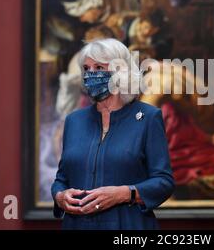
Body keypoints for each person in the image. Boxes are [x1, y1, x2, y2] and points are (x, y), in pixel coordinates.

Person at [51, 38, 174, 230]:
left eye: (99, 67)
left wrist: (124, 193)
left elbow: (164, 182)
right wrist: (59, 196)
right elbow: (62, 179)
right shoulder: (74, 121)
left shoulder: (148, 118)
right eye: (86, 68)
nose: (91, 74)